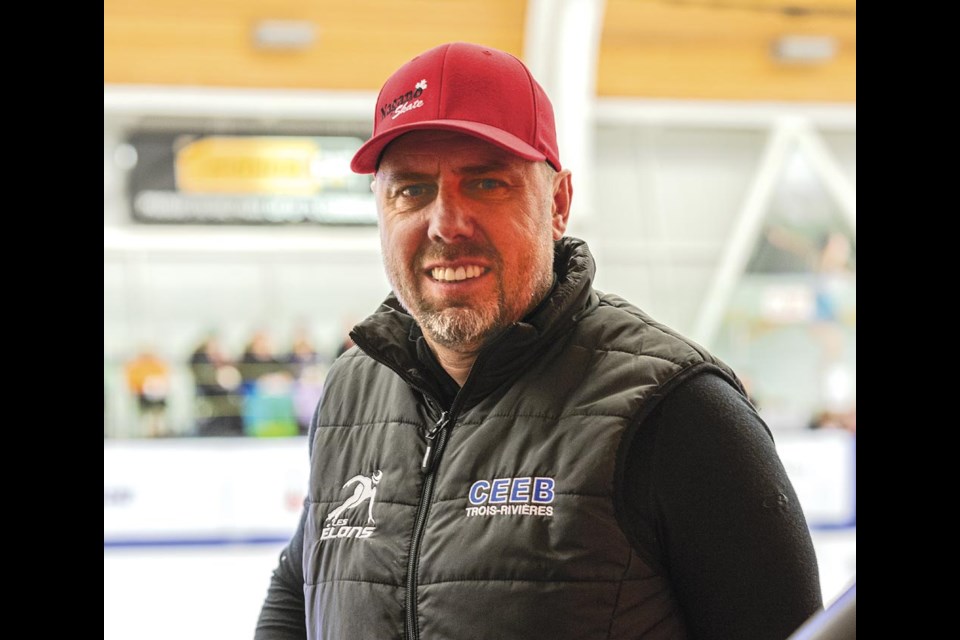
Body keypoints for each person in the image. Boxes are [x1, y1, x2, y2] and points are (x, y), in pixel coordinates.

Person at [256, 42, 823, 639]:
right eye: (412, 190)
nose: (445, 223)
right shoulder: (353, 388)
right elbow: (303, 583)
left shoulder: (675, 408)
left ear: (558, 204)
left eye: (486, 184)